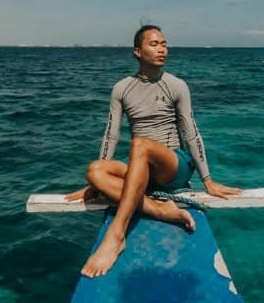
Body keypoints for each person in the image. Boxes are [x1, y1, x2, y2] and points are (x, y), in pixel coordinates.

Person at [65, 24, 241, 278]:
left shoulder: (176, 85)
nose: (162, 49)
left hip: (174, 166)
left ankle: (116, 235)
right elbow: (111, 134)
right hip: (143, 169)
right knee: (95, 170)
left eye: (164, 44)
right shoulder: (121, 88)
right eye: (154, 44)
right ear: (137, 51)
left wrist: (208, 180)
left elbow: (192, 133)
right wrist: (97, 186)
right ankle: (160, 209)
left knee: (139, 143)